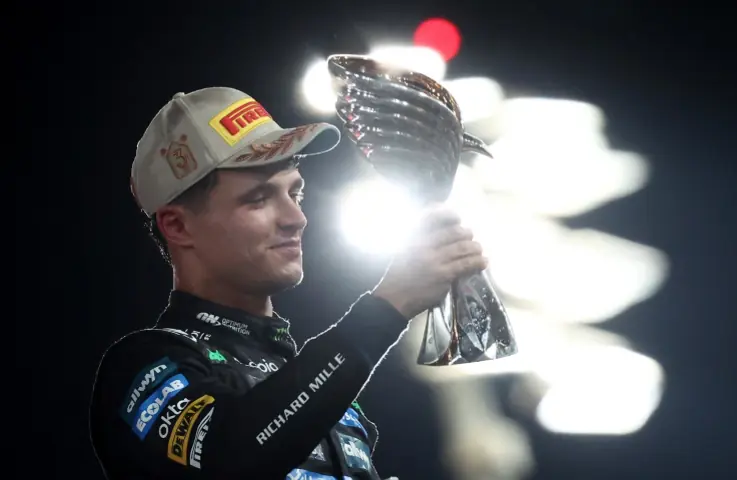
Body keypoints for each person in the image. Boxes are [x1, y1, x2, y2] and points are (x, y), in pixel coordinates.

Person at [89, 87, 488, 479]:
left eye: (296, 193)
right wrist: (387, 307)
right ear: (178, 226)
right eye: (258, 198)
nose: (296, 218)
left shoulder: (325, 396)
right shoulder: (140, 367)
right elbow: (231, 458)